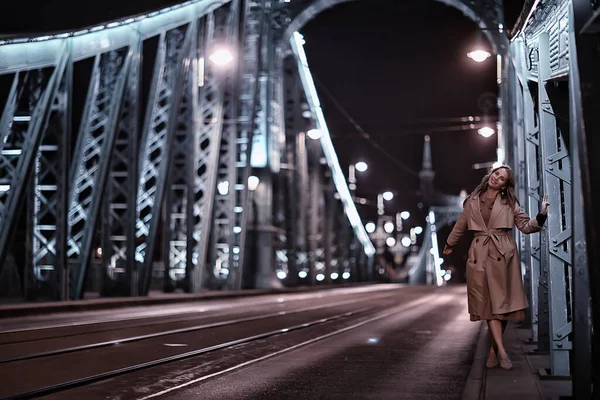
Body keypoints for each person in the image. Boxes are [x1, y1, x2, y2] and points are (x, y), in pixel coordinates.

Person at [442, 165, 549, 370]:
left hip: (503, 254)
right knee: (488, 305)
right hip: (480, 255)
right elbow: (460, 225)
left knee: (502, 307)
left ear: (504, 186)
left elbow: (526, 226)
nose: (496, 178)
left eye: (501, 178)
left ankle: (493, 351)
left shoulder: (509, 202)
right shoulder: (472, 200)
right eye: (496, 174)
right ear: (490, 175)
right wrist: (450, 243)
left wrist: (542, 215)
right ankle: (502, 352)